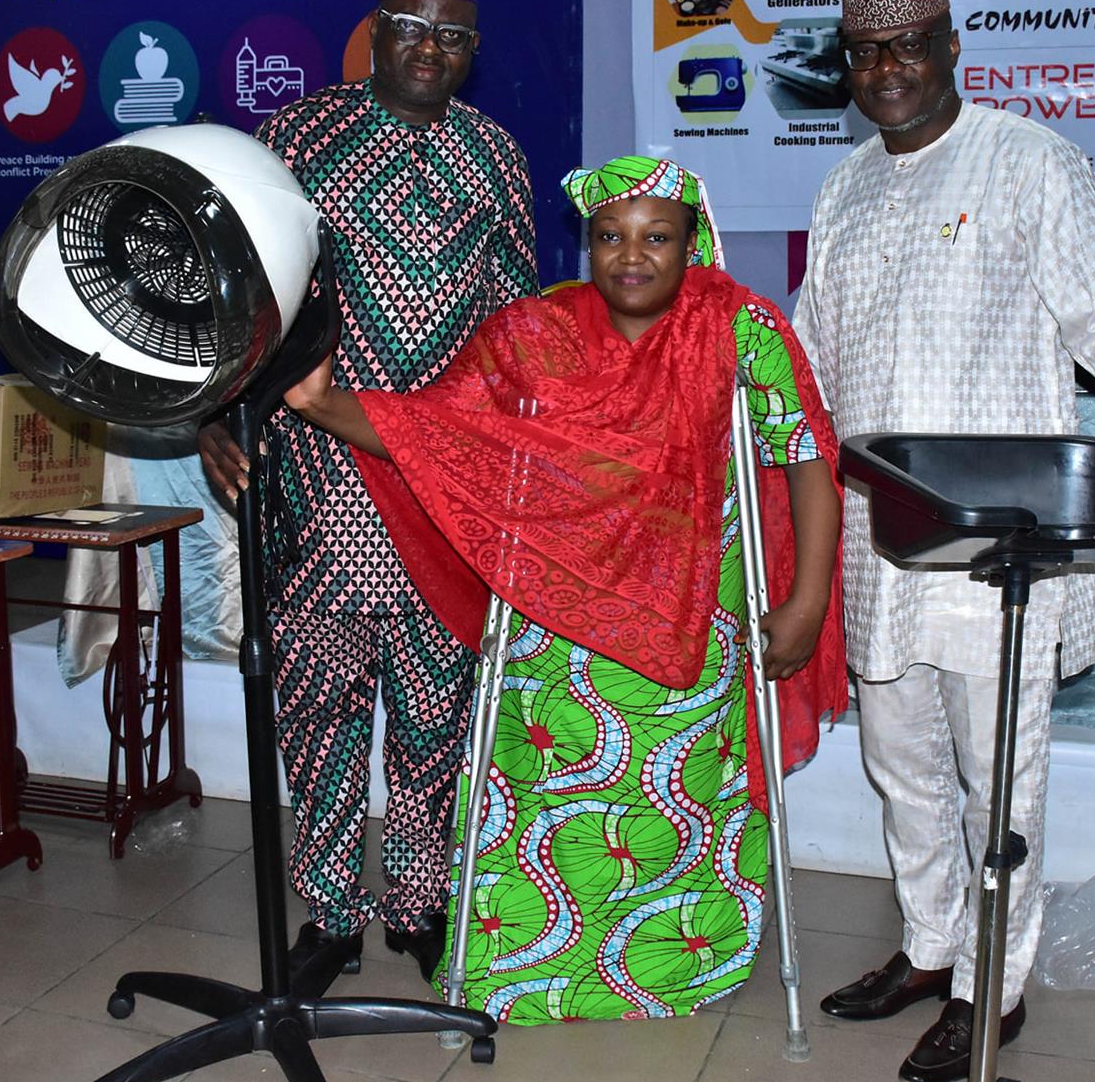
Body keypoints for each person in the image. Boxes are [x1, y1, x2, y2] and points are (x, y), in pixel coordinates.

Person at [277, 156, 848, 1022]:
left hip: (693, 621)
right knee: (551, 798)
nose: (632, 255)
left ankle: (674, 964)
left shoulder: (740, 327)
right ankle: (531, 966)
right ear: (588, 244)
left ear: (691, 243)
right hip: (555, 629)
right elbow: (445, 431)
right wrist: (325, 405)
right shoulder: (536, 330)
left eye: (657, 237)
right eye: (611, 236)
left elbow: (806, 454)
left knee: (679, 796)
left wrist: (804, 602)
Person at [795, 0, 1095, 1082]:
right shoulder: (844, 189)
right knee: (901, 763)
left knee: (999, 778)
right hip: (886, 542)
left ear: (950, 48)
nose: (887, 70)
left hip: (998, 545)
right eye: (866, 53)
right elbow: (810, 356)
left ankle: (993, 983)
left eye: (907, 47)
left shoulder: (1028, 161)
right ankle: (931, 945)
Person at [196, 0, 538, 983]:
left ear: (473, 48)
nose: (431, 48)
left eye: (453, 35)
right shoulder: (295, 137)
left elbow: (516, 330)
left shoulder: (497, 157)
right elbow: (240, 296)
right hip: (314, 476)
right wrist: (214, 413)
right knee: (320, 705)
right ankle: (335, 914)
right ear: (375, 31)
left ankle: (419, 902)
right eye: (411, 28)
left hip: (443, 481)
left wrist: (508, 454)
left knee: (437, 707)